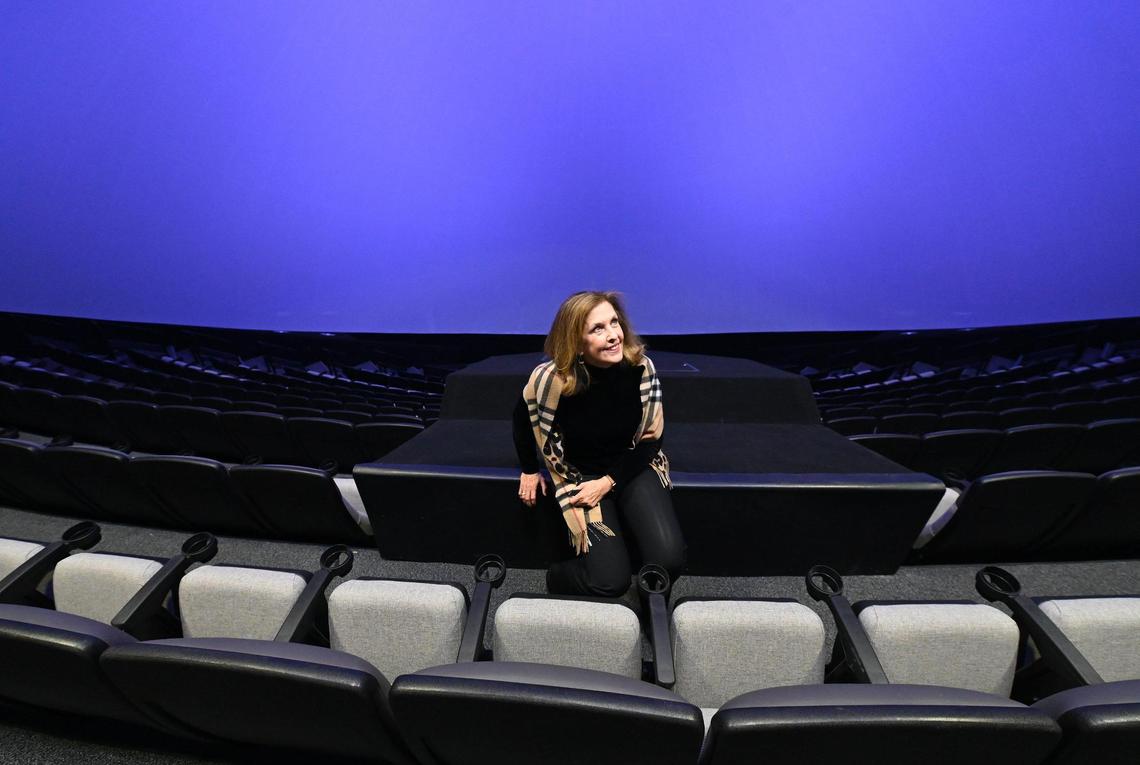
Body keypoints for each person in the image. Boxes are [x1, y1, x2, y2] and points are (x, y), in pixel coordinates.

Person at [512, 291, 685, 597]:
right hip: (583, 477)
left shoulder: (641, 368)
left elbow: (651, 441)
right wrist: (529, 469)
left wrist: (609, 482)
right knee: (609, 581)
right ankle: (556, 577)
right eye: (598, 329)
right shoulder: (551, 380)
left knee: (669, 560)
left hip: (629, 468)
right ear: (576, 342)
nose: (613, 335)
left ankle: (650, 605)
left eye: (614, 323)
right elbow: (523, 419)